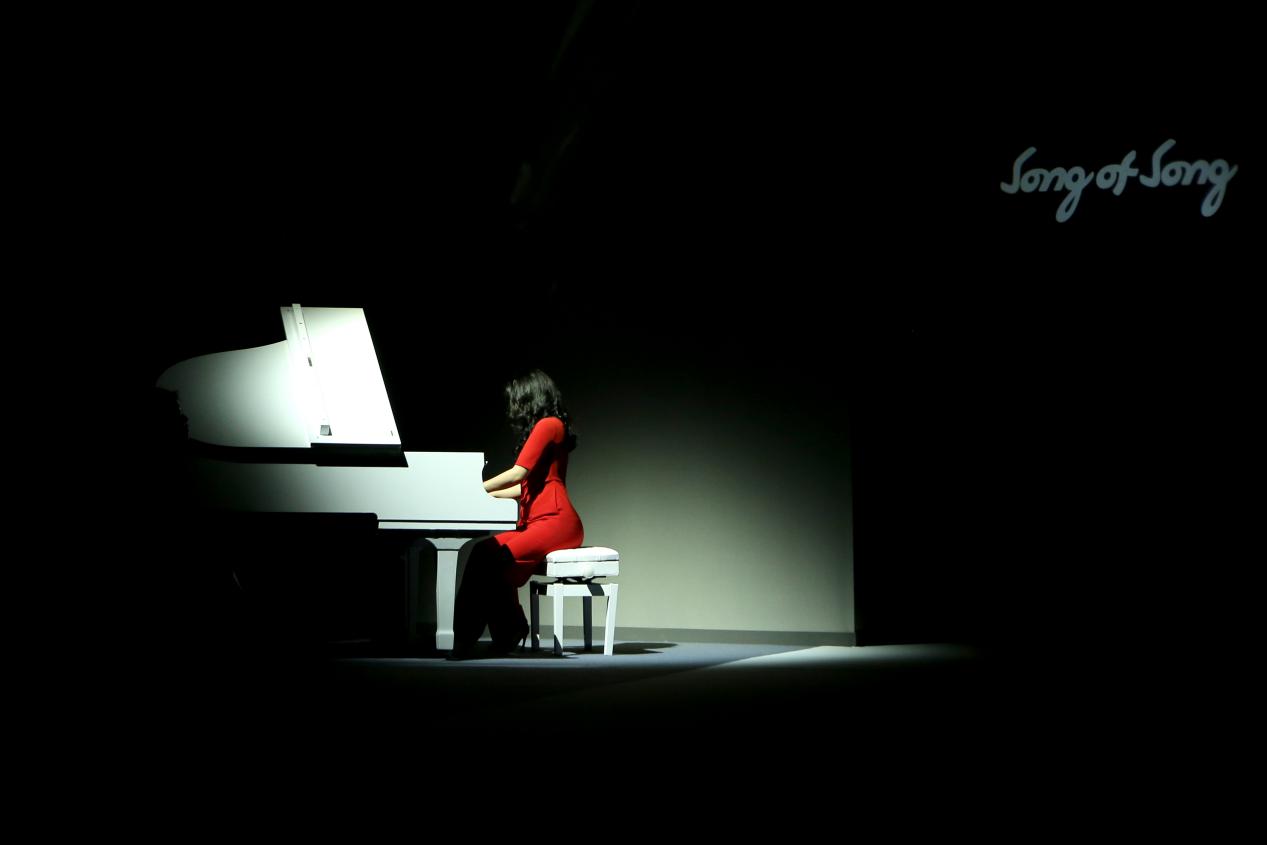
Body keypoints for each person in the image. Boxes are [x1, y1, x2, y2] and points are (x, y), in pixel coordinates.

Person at [449, 369, 583, 658]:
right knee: (483, 552)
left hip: (557, 521)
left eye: (517, 401)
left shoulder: (549, 424)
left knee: (495, 558)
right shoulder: (547, 427)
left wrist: (475, 488)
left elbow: (517, 473)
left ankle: (475, 639)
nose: (514, 408)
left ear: (530, 398)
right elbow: (525, 488)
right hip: (539, 521)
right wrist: (486, 495)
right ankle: (506, 630)